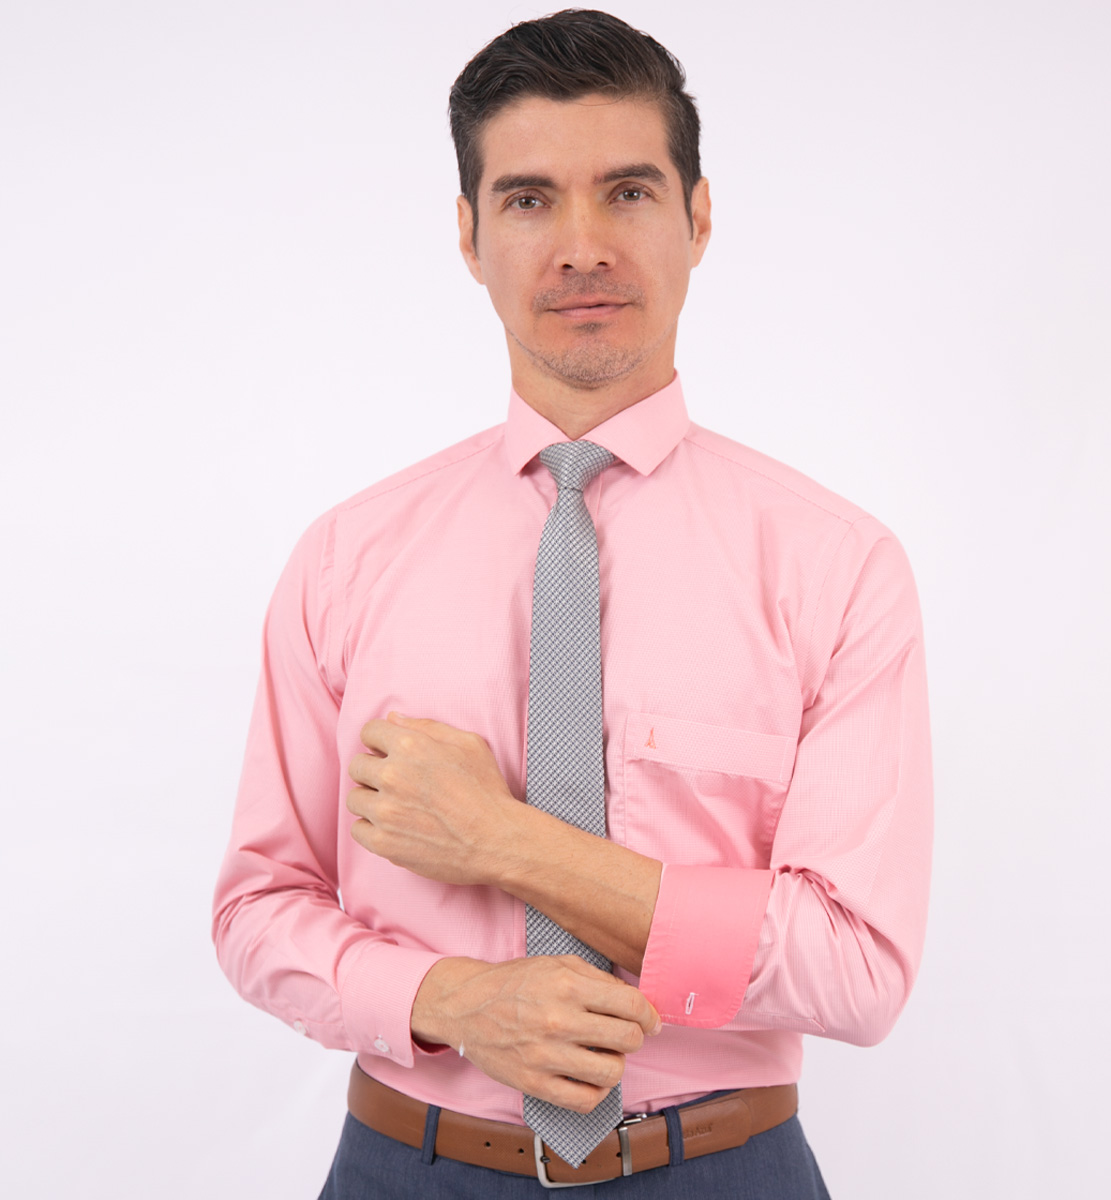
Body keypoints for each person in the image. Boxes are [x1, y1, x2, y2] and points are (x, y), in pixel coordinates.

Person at [212, 9, 934, 1197]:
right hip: (408, 1166)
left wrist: (501, 841)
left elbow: (858, 970)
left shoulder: (836, 566)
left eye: (629, 193)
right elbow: (257, 908)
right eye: (530, 199)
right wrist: (451, 1001)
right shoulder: (346, 559)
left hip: (721, 1168)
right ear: (469, 233)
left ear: (699, 218)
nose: (582, 246)